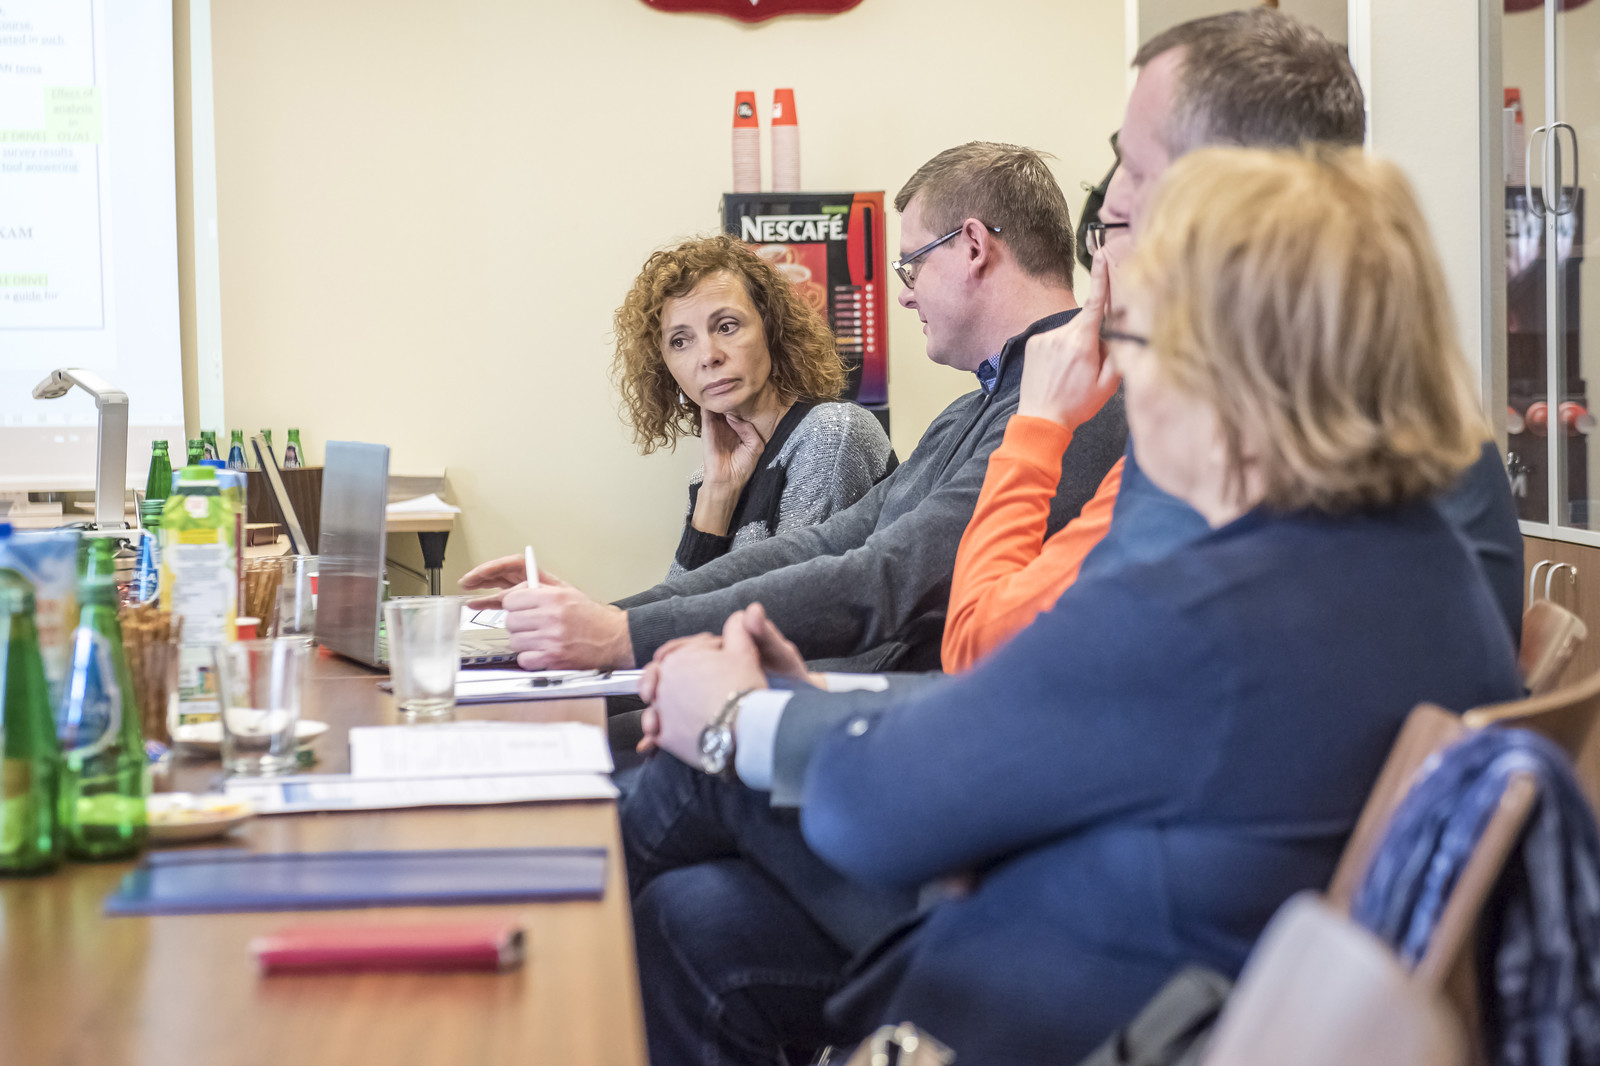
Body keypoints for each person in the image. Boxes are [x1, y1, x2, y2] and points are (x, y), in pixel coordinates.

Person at [636, 146, 1525, 1065]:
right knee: (693, 917)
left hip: (1079, 1004)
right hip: (1191, 959)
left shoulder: (1201, 601)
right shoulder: (1426, 567)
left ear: (1222, 365)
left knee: (695, 787)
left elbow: (875, 811)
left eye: (1133, 342)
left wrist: (733, 718)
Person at [941, 8, 1524, 673]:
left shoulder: (1226, 446)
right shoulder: (1422, 419)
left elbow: (981, 650)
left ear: (1216, 199)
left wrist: (1038, 426)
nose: (1111, 200)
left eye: (1135, 168)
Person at [459, 142, 1126, 673]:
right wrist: (610, 616)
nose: (904, 293)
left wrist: (620, 633)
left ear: (974, 246)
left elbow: (886, 579)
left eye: (912, 266)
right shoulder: (970, 410)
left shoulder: (1074, 403)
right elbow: (827, 544)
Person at [612, 234, 894, 577]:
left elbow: (783, 598)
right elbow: (676, 602)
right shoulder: (710, 478)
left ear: (770, 328)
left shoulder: (831, 433)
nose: (708, 356)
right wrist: (717, 495)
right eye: (680, 341)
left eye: (726, 326)